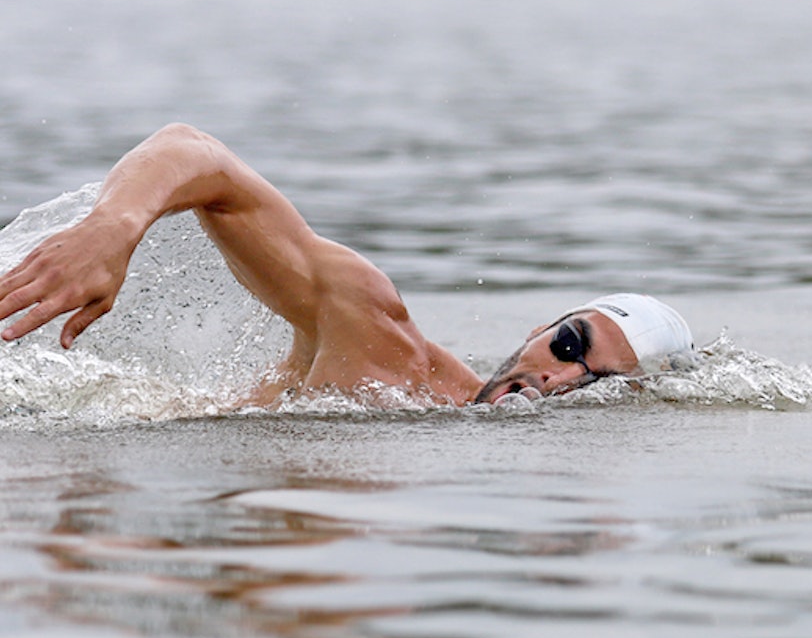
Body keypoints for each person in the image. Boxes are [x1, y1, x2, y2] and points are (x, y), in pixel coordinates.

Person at [0, 124, 694, 407]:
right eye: (571, 343)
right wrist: (114, 227)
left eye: (594, 378)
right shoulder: (379, 338)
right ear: (544, 327)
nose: (559, 372)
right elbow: (197, 153)